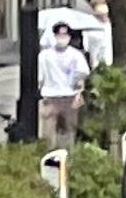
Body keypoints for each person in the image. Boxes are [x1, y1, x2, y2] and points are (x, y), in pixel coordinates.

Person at [39, 13, 89, 143]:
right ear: (54, 36)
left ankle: (68, 160)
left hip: (69, 97)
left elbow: (82, 74)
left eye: (65, 35)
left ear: (69, 37)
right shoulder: (45, 56)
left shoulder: (75, 55)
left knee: (69, 133)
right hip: (50, 97)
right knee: (48, 135)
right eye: (59, 35)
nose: (62, 38)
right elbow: (40, 76)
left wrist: (78, 92)